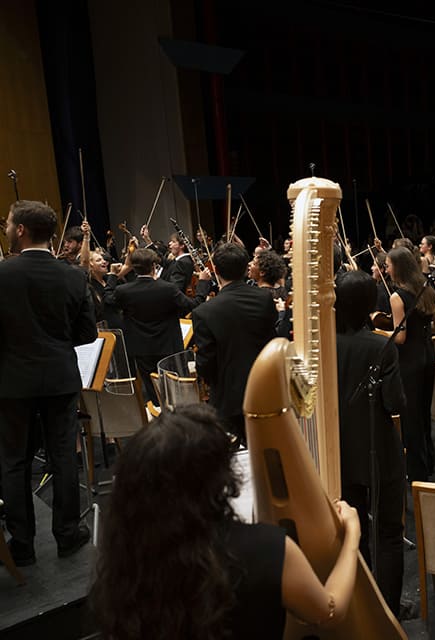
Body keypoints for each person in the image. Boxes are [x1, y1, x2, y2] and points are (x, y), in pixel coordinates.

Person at [89, 403, 363, 639]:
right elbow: (329, 612)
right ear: (216, 478)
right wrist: (351, 537)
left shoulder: (126, 561)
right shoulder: (265, 549)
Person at [0, 200, 98, 566]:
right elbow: (87, 332)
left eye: (9, 223)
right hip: (60, 377)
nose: (7, 228)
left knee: (14, 462)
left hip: (12, 381)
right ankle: (67, 535)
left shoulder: (2, 274)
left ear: (21, 230)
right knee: (62, 456)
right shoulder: (73, 275)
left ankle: (21, 544)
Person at [334, 270, 406, 615]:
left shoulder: (324, 346)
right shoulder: (382, 346)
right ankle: (388, 611)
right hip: (380, 453)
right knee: (389, 534)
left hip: (342, 453)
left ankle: (361, 605)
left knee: (354, 532)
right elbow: (395, 403)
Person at [192, 243, 278, 442]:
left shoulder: (204, 312)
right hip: (265, 391)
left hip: (228, 399)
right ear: (245, 268)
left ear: (217, 271)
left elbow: (206, 364)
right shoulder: (265, 298)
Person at [105, 248, 211, 405]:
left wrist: (113, 275)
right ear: (154, 266)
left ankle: (157, 414)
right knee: (174, 390)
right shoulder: (168, 288)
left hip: (141, 348)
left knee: (152, 390)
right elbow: (194, 305)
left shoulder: (124, 290)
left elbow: (108, 299)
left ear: (133, 267)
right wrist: (202, 283)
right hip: (169, 347)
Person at [386, 247, 435, 481]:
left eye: (388, 265)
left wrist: (381, 332)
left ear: (397, 267)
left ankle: (416, 470)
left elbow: (400, 337)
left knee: (411, 415)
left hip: (410, 360)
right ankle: (429, 461)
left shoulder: (397, 297)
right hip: (428, 356)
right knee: (424, 411)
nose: (385, 269)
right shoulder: (428, 289)